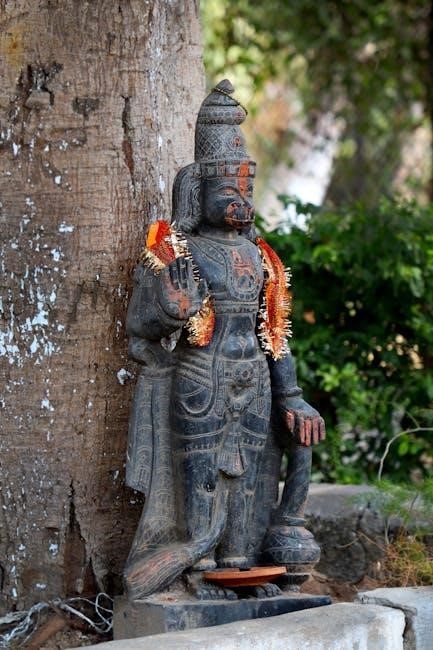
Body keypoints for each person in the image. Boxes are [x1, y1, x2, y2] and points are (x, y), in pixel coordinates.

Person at [124, 80, 325, 601]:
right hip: (200, 378)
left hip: (253, 379)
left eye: (246, 191)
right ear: (197, 191)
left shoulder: (261, 257)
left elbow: (275, 335)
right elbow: (142, 324)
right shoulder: (177, 249)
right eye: (228, 192)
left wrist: (291, 395)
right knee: (203, 474)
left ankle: (241, 566)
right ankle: (199, 566)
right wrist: (170, 310)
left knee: (251, 477)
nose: (240, 202)